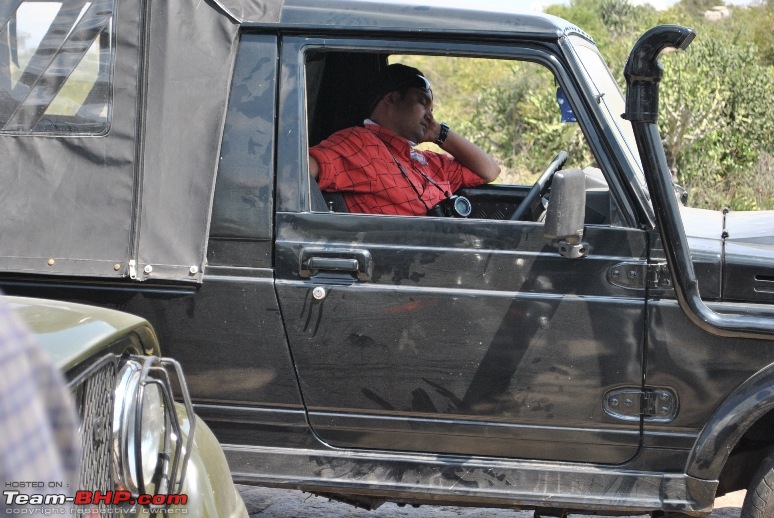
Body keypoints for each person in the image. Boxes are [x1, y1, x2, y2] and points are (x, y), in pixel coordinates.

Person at [309, 63, 500, 216]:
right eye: (422, 103)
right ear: (392, 99)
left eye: (432, 111)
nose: (430, 116)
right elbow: (299, 171)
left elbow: (489, 170)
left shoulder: (428, 162)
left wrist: (438, 132)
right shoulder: (358, 144)